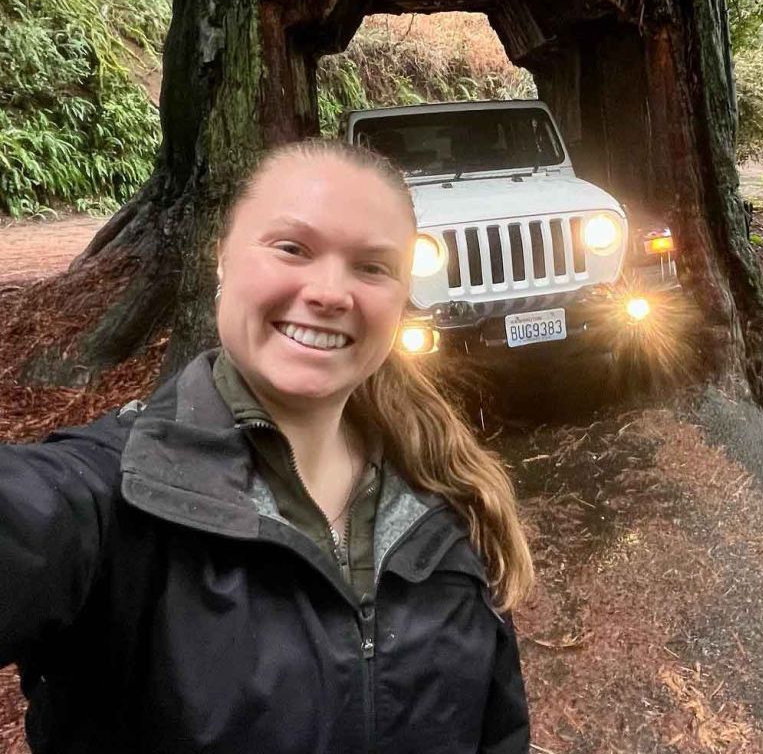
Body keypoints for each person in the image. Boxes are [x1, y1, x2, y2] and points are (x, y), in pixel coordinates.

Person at [0, 139, 533, 754]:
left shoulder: (450, 501)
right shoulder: (110, 501)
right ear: (222, 258)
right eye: (292, 248)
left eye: (372, 267)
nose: (331, 292)